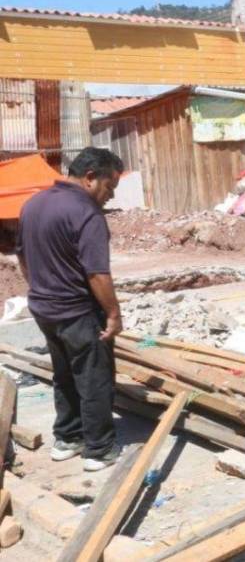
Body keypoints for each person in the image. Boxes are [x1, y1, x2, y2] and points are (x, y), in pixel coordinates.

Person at [16, 147, 124, 471]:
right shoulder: (86, 212)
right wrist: (114, 314)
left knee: (64, 373)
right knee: (95, 376)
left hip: (43, 308)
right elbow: (97, 273)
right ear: (91, 177)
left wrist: (40, 288)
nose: (110, 196)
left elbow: (21, 256)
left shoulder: (34, 203)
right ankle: (99, 449)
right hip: (77, 311)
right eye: (110, 187)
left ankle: (67, 438)